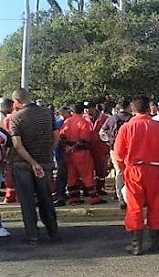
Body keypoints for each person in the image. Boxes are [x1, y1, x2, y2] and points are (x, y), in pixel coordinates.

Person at [113, 96, 159, 255]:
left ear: (133, 110)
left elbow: (118, 154)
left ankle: (136, 245)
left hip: (133, 170)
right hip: (154, 169)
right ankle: (154, 243)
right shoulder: (158, 126)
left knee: (134, 206)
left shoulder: (126, 128)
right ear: (148, 109)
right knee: (156, 205)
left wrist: (123, 169)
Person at [9, 88, 60, 244]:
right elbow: (56, 137)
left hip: (22, 164)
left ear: (17, 101)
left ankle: (33, 236)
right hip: (44, 161)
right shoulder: (47, 114)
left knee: (27, 201)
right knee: (46, 197)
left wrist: (32, 163)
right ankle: (52, 231)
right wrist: (47, 153)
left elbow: (17, 145)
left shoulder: (16, 118)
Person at [60, 104, 106, 205]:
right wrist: (74, 147)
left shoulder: (67, 122)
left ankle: (74, 198)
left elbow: (61, 136)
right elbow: (84, 139)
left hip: (68, 154)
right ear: (83, 111)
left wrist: (67, 147)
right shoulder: (83, 122)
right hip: (81, 153)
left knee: (72, 175)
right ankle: (94, 198)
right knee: (87, 175)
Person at [101, 99, 132, 209]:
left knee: (119, 173)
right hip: (130, 150)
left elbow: (102, 133)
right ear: (128, 107)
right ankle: (131, 196)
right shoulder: (132, 119)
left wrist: (109, 141)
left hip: (115, 149)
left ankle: (121, 198)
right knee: (131, 173)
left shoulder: (112, 119)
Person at [83, 101, 110, 196]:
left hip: (101, 148)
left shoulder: (105, 118)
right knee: (88, 170)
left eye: (88, 108)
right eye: (85, 108)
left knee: (101, 170)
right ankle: (88, 189)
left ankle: (99, 188)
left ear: (94, 108)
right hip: (87, 148)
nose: (86, 110)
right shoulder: (83, 118)